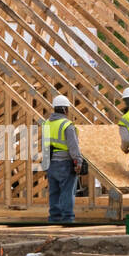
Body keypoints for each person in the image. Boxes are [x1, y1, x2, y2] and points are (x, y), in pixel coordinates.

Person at [43, 93, 84, 224]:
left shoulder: (46, 124)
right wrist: (78, 161)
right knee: (67, 192)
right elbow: (73, 146)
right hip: (65, 163)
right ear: (66, 109)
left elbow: (44, 145)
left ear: (54, 108)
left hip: (50, 163)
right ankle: (67, 219)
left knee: (54, 192)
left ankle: (54, 219)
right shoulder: (67, 125)